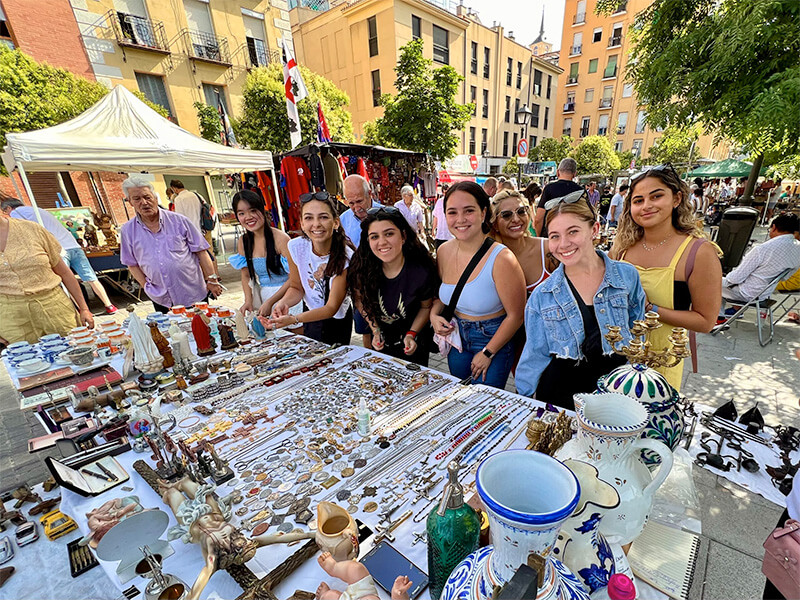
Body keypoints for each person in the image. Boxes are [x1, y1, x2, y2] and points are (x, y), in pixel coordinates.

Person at [516, 198, 646, 409]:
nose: (563, 243)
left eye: (573, 232)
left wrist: (638, 384)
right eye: (554, 236)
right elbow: (534, 354)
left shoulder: (627, 276)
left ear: (594, 229)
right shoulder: (543, 294)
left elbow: (637, 334)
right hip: (561, 395)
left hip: (616, 391)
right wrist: (525, 400)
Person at [610, 164, 723, 391]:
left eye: (656, 196)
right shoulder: (622, 247)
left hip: (661, 364)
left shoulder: (699, 252)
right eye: (638, 200)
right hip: (615, 360)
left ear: (676, 198)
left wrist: (652, 309)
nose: (647, 206)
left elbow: (706, 321)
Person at [430, 182, 526, 389]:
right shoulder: (443, 251)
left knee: (486, 404)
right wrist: (434, 316)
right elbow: (443, 295)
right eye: (452, 212)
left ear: (483, 213)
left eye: (469, 211)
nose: (460, 219)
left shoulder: (501, 258)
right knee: (462, 396)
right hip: (457, 338)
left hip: (493, 340)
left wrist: (488, 352)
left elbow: (516, 315)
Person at [348, 206, 438, 366]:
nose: (382, 242)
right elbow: (359, 300)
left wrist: (412, 333)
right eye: (374, 236)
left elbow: (426, 307)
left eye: (389, 233)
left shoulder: (421, 270)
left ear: (403, 236)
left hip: (415, 344)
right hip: (382, 344)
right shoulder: (362, 268)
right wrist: (375, 329)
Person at [119, 176, 223, 313]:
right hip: (160, 297)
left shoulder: (179, 221)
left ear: (155, 198)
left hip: (193, 292)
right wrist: (146, 286)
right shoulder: (127, 230)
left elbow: (202, 252)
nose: (144, 202)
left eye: (147, 197)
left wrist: (212, 280)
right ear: (130, 202)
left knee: (203, 331)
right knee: (170, 332)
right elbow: (131, 264)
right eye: (137, 199)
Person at [2, 199, 118, 314]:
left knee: (66, 280)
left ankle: (81, 311)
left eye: (5, 211)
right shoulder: (38, 210)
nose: (6, 214)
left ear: (8, 208)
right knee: (92, 278)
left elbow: (22, 232)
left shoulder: (17, 214)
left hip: (59, 248)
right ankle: (109, 305)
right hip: (73, 245)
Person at [268, 192, 354, 345]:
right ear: (301, 223)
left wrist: (294, 319)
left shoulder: (346, 255)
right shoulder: (296, 246)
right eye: (309, 218)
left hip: (336, 322)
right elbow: (296, 287)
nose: (316, 224)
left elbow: (331, 308)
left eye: (323, 217)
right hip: (309, 315)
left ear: (336, 223)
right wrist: (283, 303)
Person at [0, 209, 94, 345]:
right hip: (12, 319)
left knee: (77, 354)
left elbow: (64, 273)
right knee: (28, 364)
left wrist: (84, 308)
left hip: (55, 308)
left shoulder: (31, 229)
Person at [228, 190, 300, 325]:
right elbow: (246, 276)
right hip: (263, 300)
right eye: (241, 213)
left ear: (262, 210)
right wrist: (248, 301)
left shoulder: (281, 238)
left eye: (252, 211)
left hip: (289, 298)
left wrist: (271, 301)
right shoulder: (243, 242)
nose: (248, 217)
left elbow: (294, 278)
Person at [720, 213, 800, 305]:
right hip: (764, 294)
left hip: (744, 293)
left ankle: (718, 316)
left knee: (707, 283)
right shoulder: (798, 248)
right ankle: (721, 315)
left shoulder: (762, 249)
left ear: (773, 227)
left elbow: (734, 279)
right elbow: (785, 277)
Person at [340, 174, 380, 346]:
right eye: (351, 203)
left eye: (359, 201)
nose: (356, 207)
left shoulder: (386, 214)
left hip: (385, 282)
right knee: (366, 330)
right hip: (360, 286)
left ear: (370, 194)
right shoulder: (343, 220)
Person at [170, 179, 219, 278]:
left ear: (174, 188)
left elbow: (179, 218)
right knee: (210, 252)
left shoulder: (179, 199)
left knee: (200, 256)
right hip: (204, 229)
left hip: (192, 232)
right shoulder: (196, 194)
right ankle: (216, 275)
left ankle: (207, 277)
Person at [534, 158, 582, 237]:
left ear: (557, 172)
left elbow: (538, 219)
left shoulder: (549, 188)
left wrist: (540, 237)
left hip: (551, 235)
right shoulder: (580, 191)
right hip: (572, 236)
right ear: (574, 174)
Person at [431, 183, 454, 248]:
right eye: (444, 192)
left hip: (451, 236)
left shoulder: (455, 202)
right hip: (440, 235)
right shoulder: (439, 202)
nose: (446, 194)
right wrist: (433, 229)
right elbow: (436, 216)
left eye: (447, 192)